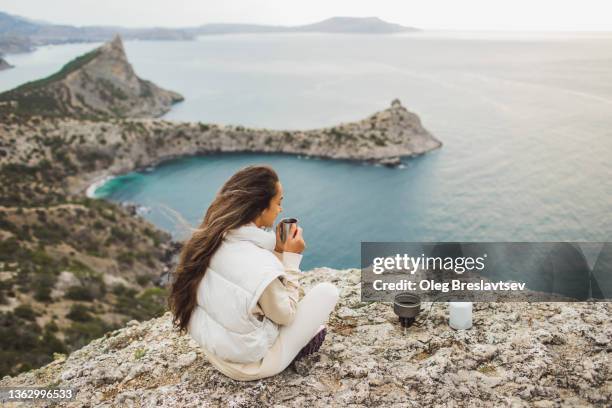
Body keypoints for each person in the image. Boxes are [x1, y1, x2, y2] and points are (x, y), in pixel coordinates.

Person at [169, 164, 339, 381]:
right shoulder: (259, 263)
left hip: (217, 353)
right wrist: (291, 259)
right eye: (278, 202)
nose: (280, 210)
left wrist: (277, 250)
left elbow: (247, 287)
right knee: (328, 292)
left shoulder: (209, 240)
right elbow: (286, 314)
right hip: (251, 366)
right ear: (261, 209)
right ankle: (298, 346)